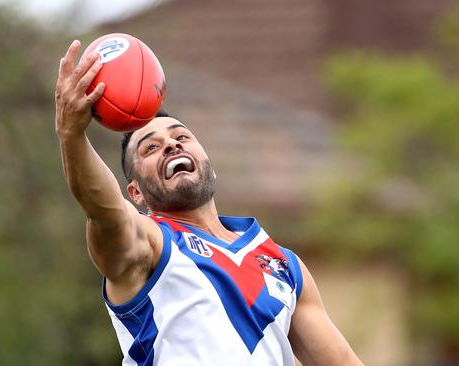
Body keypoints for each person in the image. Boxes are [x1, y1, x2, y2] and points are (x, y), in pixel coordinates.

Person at [54, 40, 364, 366]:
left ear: (208, 162)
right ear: (136, 193)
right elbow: (103, 210)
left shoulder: (283, 264)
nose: (172, 145)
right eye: (150, 147)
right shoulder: (148, 245)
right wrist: (71, 135)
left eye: (181, 137)